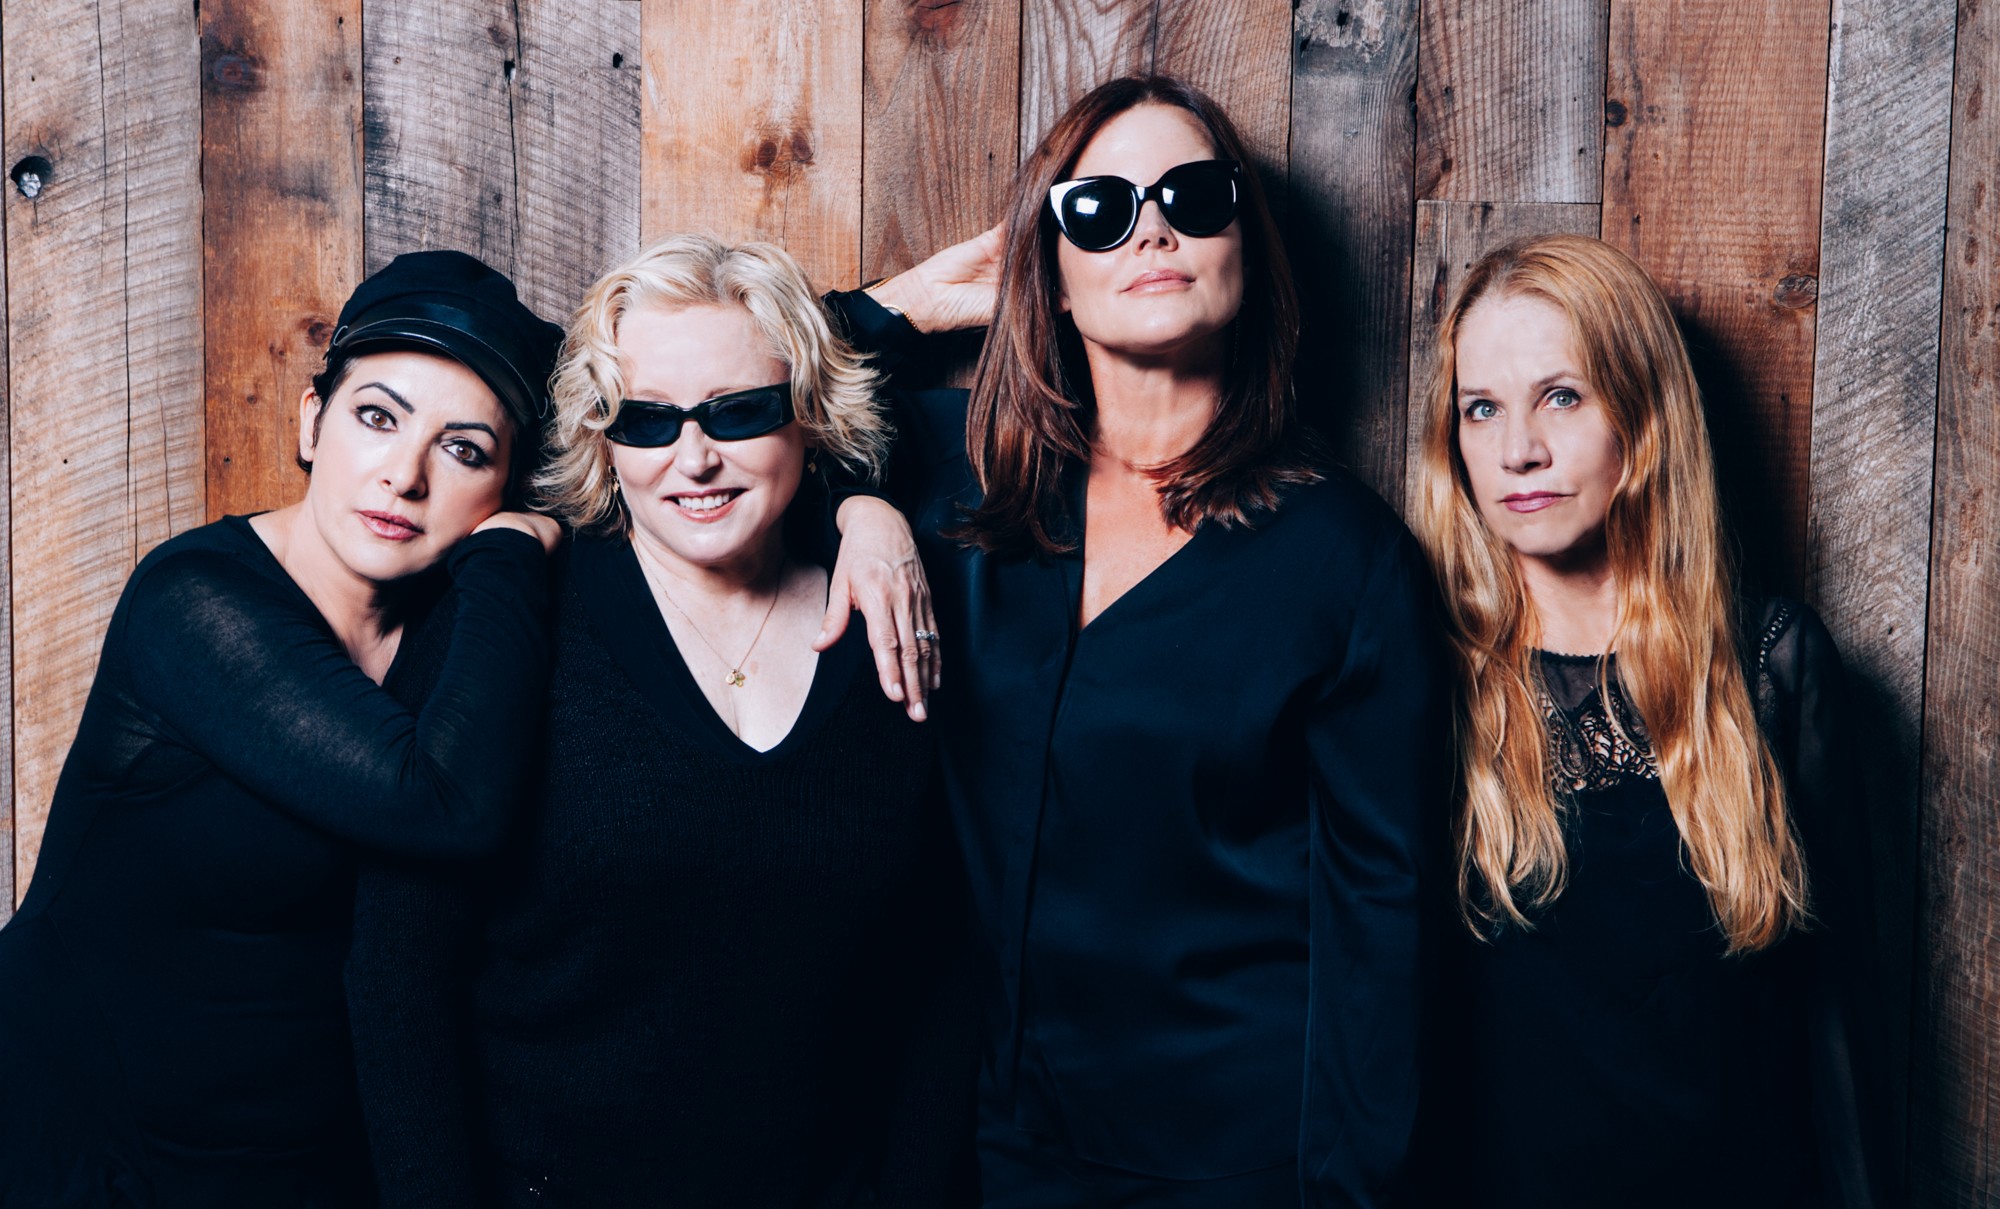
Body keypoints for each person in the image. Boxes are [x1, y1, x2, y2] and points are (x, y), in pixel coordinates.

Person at [824, 74, 1448, 1206]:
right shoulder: (956, 485)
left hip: (1232, 1165)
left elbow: (1381, 929)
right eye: (1099, 209)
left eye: (1193, 197)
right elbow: (702, 417)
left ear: (1247, 251)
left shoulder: (1347, 563)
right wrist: (898, 322)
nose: (1151, 228)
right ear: (1050, 276)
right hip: (977, 1151)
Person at [348, 235, 975, 1208]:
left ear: (810, 415)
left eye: (740, 412)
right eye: (645, 420)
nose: (694, 458)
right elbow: (398, 974)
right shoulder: (513, 620)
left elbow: (937, 968)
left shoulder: (892, 618)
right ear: (601, 438)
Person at [0, 250, 565, 1207]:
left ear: (507, 483)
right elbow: (443, 804)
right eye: (377, 417)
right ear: (312, 423)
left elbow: (703, 472)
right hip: (81, 1138)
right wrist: (516, 551)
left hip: (280, 1159)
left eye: (464, 450)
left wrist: (848, 512)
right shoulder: (194, 600)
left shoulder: (458, 638)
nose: (404, 475)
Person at [1406, 233, 1885, 1207]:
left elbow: (1835, 1017)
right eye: (1481, 408)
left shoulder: (1772, 667)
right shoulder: (1421, 678)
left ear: (1643, 410)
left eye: (1561, 396)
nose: (1517, 450)